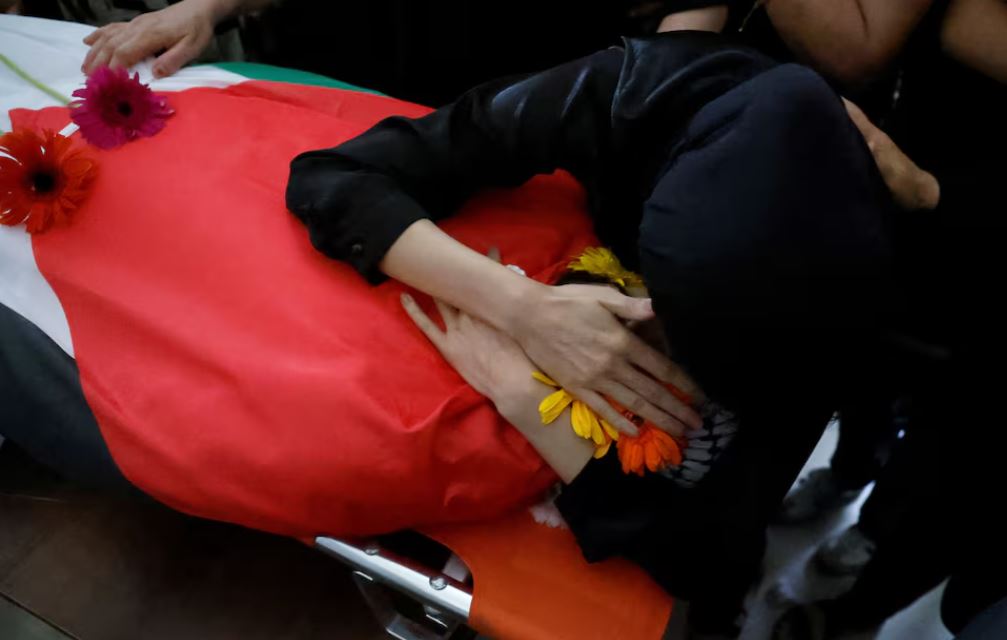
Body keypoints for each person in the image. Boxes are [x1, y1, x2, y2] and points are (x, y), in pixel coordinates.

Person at [285, 32, 936, 636]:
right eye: (671, 326)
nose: (652, 347)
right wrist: (521, 307)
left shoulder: (846, 292)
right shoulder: (627, 89)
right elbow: (331, 179)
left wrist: (537, 412)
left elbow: (708, 556)